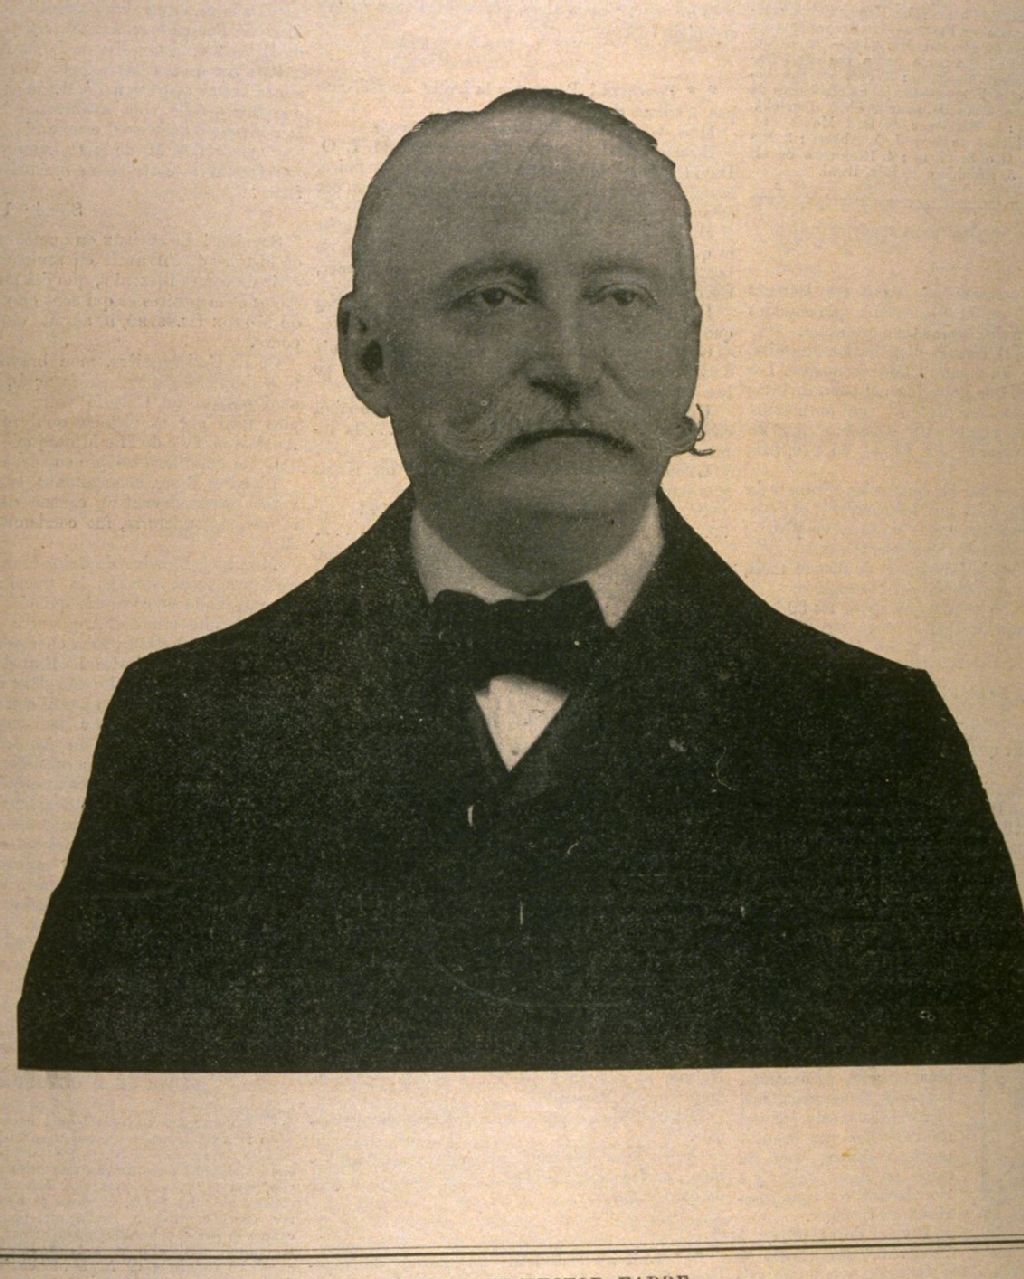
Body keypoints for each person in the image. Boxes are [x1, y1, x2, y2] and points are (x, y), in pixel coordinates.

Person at [19, 89, 1024, 1072]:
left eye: (620, 298)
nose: (571, 364)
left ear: (690, 345)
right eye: (495, 298)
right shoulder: (193, 725)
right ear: (368, 355)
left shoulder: (876, 740)